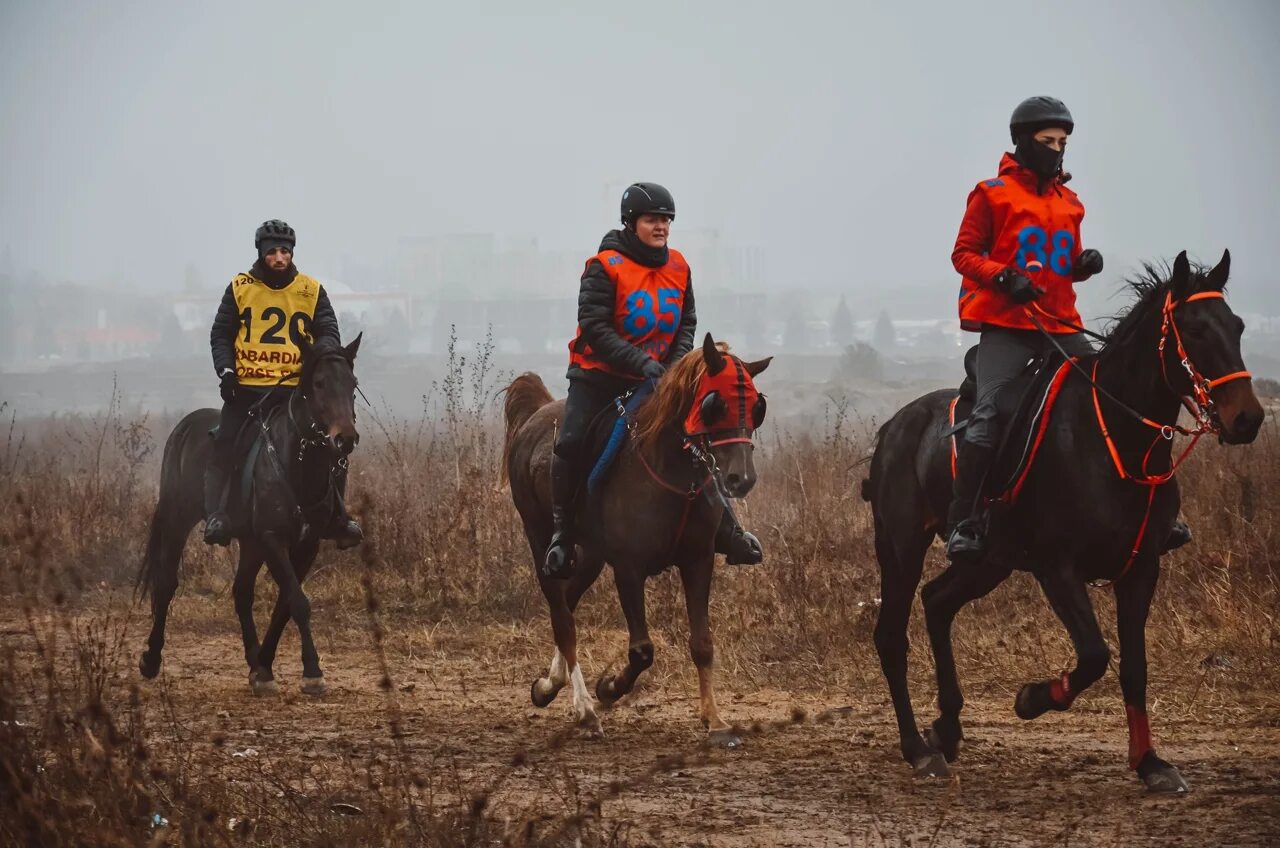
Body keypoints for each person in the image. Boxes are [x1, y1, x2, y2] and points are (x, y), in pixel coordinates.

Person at [543, 183, 763, 579]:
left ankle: (730, 531)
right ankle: (562, 534)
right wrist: (640, 362)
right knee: (573, 440)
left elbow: (686, 322)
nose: (661, 226)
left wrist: (676, 365)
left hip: (660, 377)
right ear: (631, 222)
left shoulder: (678, 266)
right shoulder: (604, 266)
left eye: (666, 220)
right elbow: (594, 327)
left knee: (698, 434)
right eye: (652, 219)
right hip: (599, 377)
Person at [204, 219, 363, 549]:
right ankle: (219, 514)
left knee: (333, 447)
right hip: (247, 388)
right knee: (225, 443)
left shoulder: (311, 290)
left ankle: (337, 516)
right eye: (273, 252)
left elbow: (328, 333)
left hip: (294, 390)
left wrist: (323, 360)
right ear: (262, 254)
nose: (279, 258)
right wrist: (227, 373)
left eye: (285, 252)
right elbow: (220, 334)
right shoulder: (240, 287)